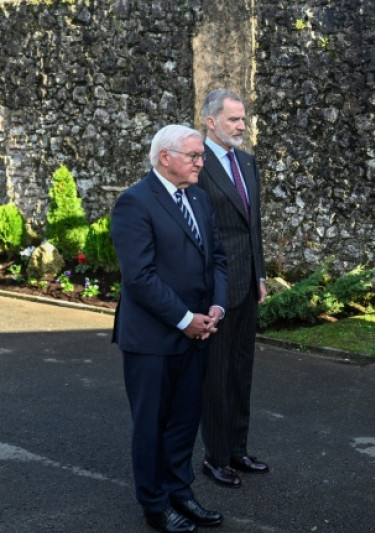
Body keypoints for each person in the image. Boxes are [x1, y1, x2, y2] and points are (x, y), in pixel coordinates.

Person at [111, 124, 228, 533]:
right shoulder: (135, 202)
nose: (201, 163)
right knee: (151, 425)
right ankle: (155, 505)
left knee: (183, 423)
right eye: (194, 156)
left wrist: (216, 307)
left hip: (198, 333)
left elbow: (217, 258)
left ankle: (180, 493)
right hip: (152, 340)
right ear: (165, 157)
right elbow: (139, 277)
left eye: (201, 156)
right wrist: (184, 320)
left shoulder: (198, 197)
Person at [195, 88, 270, 488]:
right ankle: (216, 457)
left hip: (248, 287)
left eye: (243, 119)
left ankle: (238, 450)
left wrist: (260, 274)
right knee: (216, 377)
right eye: (233, 119)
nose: (242, 126)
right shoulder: (197, 164)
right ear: (211, 122)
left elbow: (252, 225)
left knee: (242, 374)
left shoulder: (246, 162)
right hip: (218, 289)